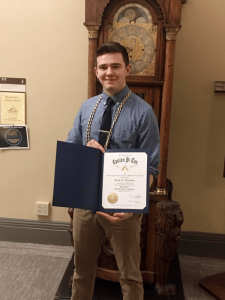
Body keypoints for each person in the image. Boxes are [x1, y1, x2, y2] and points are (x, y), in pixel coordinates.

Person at [66, 42, 160, 300]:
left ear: (127, 69)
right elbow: (72, 153)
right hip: (87, 206)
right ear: (96, 71)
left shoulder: (144, 113)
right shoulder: (87, 108)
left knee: (130, 275)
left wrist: (133, 205)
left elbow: (151, 167)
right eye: (104, 67)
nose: (109, 72)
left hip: (123, 210)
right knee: (81, 272)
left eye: (115, 66)